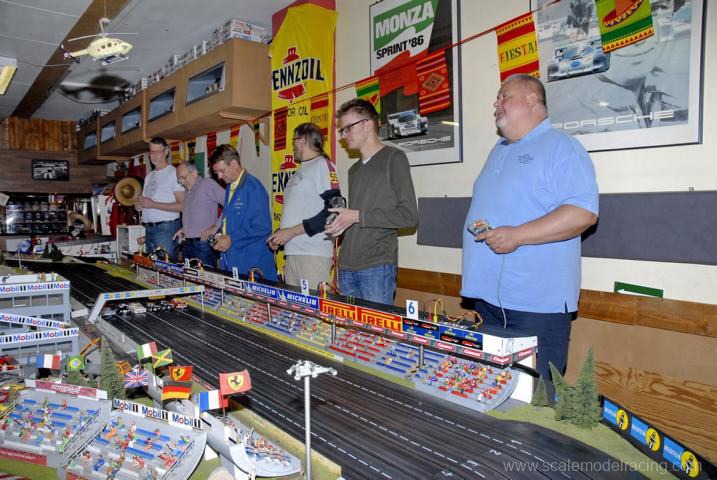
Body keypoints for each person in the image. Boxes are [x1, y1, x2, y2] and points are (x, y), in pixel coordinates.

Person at [461, 74, 599, 402]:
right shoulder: (498, 150)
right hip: (489, 303)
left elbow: (583, 213)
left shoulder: (561, 146)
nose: (496, 103)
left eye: (504, 96)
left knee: (533, 402)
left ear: (532, 100)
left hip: (535, 306)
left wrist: (518, 236)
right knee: (492, 396)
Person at [324, 98, 418, 305]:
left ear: (367, 125)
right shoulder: (354, 170)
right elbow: (358, 217)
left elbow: (409, 216)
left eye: (348, 128)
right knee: (349, 326)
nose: (343, 136)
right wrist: (341, 223)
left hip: (376, 266)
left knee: (377, 326)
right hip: (346, 265)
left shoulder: (394, 158)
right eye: (342, 131)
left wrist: (357, 216)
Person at [267, 122, 341, 289]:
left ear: (302, 140)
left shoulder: (322, 165)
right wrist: (280, 235)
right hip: (292, 253)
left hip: (312, 254)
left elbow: (333, 212)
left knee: (314, 306)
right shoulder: (298, 172)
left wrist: (291, 232)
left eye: (294, 141)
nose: (292, 146)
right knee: (293, 306)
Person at [209, 144, 277, 282]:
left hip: (252, 263)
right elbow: (231, 221)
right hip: (234, 260)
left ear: (234, 164)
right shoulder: (230, 187)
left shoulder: (253, 187)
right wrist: (221, 236)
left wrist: (231, 238)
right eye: (216, 173)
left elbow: (262, 226)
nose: (219, 176)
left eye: (222, 171)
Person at [136, 137, 184, 259]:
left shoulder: (174, 173)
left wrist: (152, 204)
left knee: (165, 267)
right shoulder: (149, 176)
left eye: (158, 151)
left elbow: (182, 205)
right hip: (149, 229)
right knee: (152, 267)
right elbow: (147, 203)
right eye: (152, 151)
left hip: (166, 229)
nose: (154, 155)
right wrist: (140, 206)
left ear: (166, 151)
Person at [173, 161, 225, 268]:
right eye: (179, 179)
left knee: (205, 277)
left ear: (194, 173)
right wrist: (184, 228)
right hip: (187, 244)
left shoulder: (207, 184)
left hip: (204, 244)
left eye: (184, 177)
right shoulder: (187, 191)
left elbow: (230, 203)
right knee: (189, 277)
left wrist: (216, 226)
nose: (182, 182)